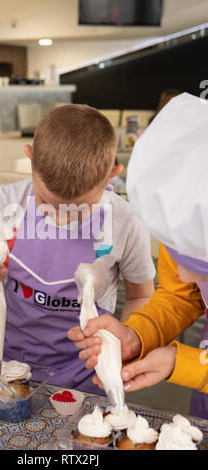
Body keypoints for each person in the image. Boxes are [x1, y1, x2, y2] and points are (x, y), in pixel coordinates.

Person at [0, 104, 155, 395]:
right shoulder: (5, 203)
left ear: (112, 175)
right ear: (30, 157)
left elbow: (142, 295)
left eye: (77, 209)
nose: (58, 218)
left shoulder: (126, 222)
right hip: (10, 375)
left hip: (89, 380)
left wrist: (127, 337)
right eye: (44, 200)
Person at [68, 93, 208, 418]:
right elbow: (181, 295)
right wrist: (134, 335)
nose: (186, 275)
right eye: (180, 257)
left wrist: (183, 363)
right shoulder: (191, 208)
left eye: (203, 265)